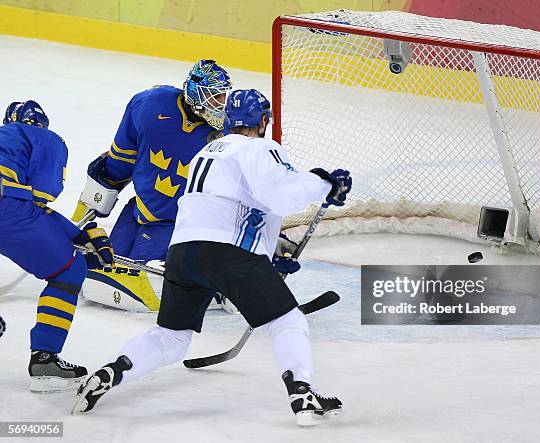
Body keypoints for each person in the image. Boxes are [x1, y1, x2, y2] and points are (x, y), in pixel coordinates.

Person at [72, 89, 352, 426]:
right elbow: (281, 196)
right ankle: (303, 393)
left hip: (182, 253)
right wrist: (325, 183)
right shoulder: (260, 148)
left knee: (170, 338)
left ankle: (112, 371)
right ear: (262, 121)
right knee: (287, 321)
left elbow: (232, 207)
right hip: (227, 255)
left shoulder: (207, 151)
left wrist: (268, 253)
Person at [71, 59, 236, 312]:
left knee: (137, 279)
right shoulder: (150, 105)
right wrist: (80, 221)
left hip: (180, 223)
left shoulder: (228, 134)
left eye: (223, 98)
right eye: (215, 98)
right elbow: (121, 160)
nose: (220, 106)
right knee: (103, 265)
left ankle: (215, 283)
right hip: (138, 211)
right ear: (196, 94)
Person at [0, 100, 114, 392]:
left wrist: (76, 235)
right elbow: (37, 199)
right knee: (69, 270)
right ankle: (44, 359)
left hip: (10, 207)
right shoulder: (44, 138)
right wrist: (79, 239)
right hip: (8, 211)